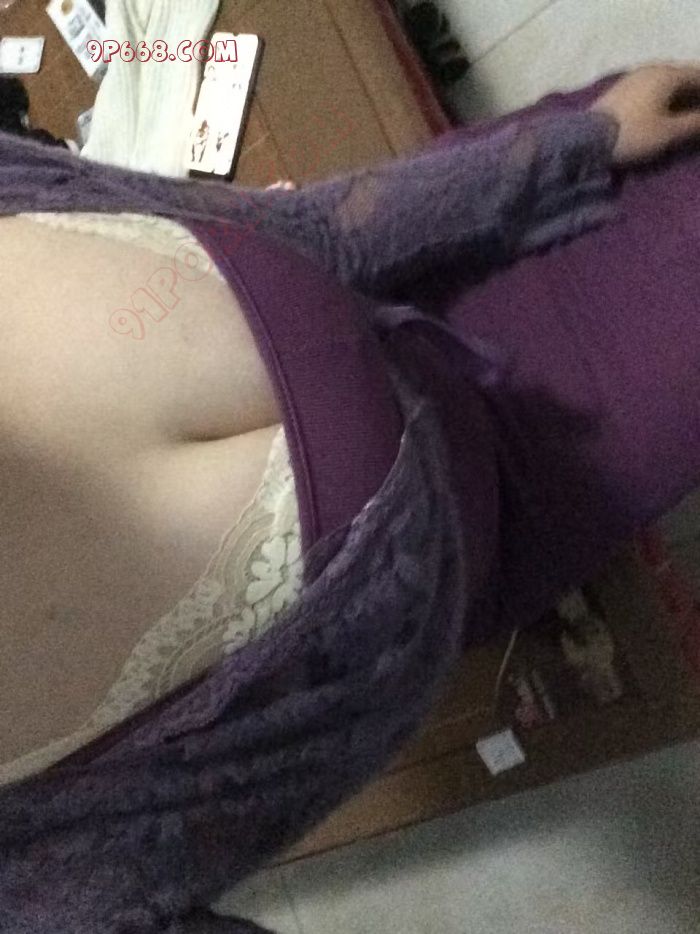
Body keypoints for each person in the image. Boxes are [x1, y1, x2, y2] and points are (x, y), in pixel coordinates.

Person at [1, 63, 700, 933]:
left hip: (452, 255)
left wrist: (567, 149)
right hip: (522, 502)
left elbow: (305, 230)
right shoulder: (35, 877)